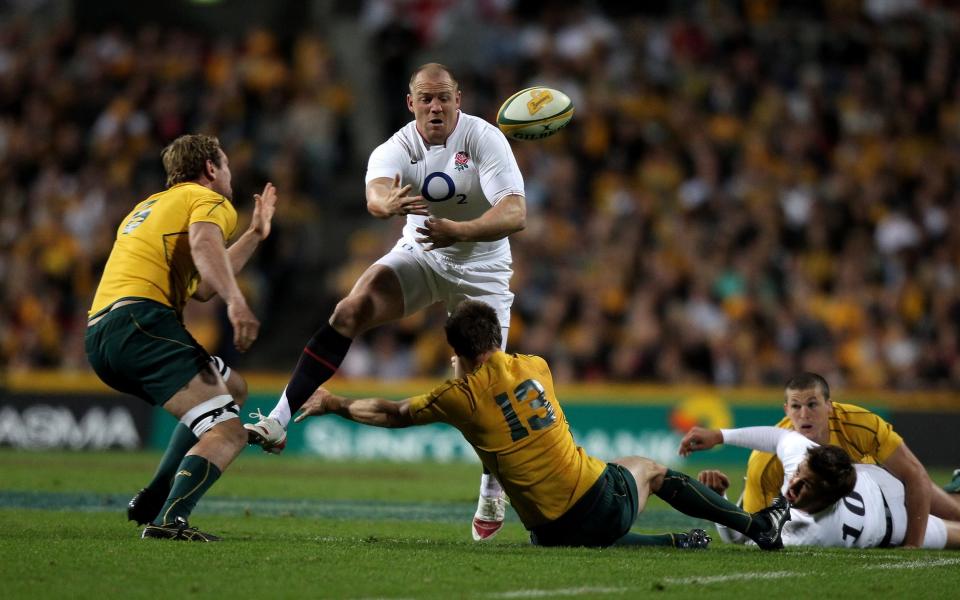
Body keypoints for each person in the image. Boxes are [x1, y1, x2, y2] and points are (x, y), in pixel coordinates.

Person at [246, 63, 526, 541]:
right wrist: (385, 205)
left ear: (459, 99)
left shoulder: (485, 139)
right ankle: (278, 419)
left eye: (444, 98)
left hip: (482, 269)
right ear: (410, 102)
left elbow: (515, 212)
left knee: (481, 389)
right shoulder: (397, 147)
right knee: (348, 310)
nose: (435, 106)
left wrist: (458, 230)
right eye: (426, 98)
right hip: (421, 252)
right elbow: (376, 195)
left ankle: (491, 483)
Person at [292, 300, 793, 550]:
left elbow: (392, 413)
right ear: (495, 337)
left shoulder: (459, 397)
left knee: (597, 501)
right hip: (596, 501)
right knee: (649, 471)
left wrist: (335, 403)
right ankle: (758, 528)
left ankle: (670, 543)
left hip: (546, 531)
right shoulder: (537, 365)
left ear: (458, 354)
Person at [85, 133, 277, 540]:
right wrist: (237, 301)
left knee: (233, 387)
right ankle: (171, 519)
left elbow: (203, 286)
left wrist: (256, 235)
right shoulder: (209, 200)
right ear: (211, 168)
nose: (229, 174)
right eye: (225, 165)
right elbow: (206, 245)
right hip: (143, 325)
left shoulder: (149, 207)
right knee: (227, 430)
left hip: (104, 335)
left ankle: (155, 495)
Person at [696, 372, 960, 547]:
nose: (804, 414)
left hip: (879, 480)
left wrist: (719, 435)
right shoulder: (766, 464)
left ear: (829, 406)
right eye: (796, 407)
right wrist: (720, 501)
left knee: (953, 512)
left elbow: (914, 475)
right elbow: (748, 532)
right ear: (786, 411)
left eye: (812, 404)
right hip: (878, 515)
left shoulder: (855, 425)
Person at [679, 426, 960, 549]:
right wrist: (719, 435)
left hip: (893, 518)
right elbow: (780, 437)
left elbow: (737, 537)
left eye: (807, 484)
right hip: (881, 492)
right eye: (800, 471)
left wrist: (719, 501)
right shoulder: (807, 462)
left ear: (826, 497)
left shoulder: (806, 532)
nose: (794, 483)